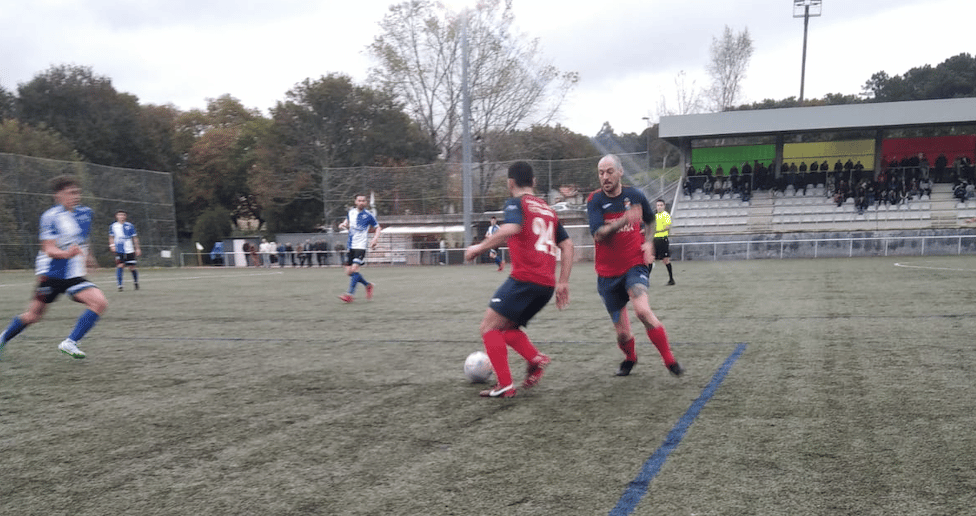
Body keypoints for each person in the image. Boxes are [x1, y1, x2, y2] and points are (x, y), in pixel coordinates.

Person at [463, 161, 574, 398]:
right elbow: (567, 245)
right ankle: (535, 359)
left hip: (525, 280)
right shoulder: (548, 210)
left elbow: (511, 228)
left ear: (510, 183)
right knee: (508, 329)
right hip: (546, 285)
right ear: (533, 182)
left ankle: (505, 385)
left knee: (488, 327)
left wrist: (478, 248)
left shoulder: (516, 203)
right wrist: (563, 281)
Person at [586, 154, 684, 378]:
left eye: (609, 171)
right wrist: (624, 219)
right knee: (622, 334)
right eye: (601, 173)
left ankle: (670, 361)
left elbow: (650, 220)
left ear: (620, 172)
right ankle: (630, 358)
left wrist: (648, 242)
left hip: (634, 265)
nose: (605, 177)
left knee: (642, 311)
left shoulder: (636, 195)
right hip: (607, 274)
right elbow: (598, 234)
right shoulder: (595, 200)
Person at [0, 175, 108, 360]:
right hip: (51, 274)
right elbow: (48, 248)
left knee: (99, 302)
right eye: (70, 193)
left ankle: (70, 342)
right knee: (33, 315)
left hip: (73, 275)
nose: (75, 196)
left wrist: (89, 258)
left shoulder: (85, 213)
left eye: (77, 192)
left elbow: (83, 239)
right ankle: (3, 338)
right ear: (58, 195)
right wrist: (67, 254)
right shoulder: (50, 217)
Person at [338, 194, 381, 303]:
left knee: (354, 269)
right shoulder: (351, 212)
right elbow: (347, 223)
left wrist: (375, 239)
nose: (361, 202)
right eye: (359, 200)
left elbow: (378, 228)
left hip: (360, 246)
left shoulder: (369, 215)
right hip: (351, 245)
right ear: (355, 202)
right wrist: (343, 224)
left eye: (363, 201)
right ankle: (368, 285)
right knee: (349, 272)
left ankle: (349, 295)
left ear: (366, 203)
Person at [109, 209, 141, 291]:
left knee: (132, 267)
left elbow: (134, 237)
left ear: (125, 216)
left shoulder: (130, 225)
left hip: (129, 249)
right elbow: (111, 237)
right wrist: (112, 245)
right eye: (119, 215)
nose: (121, 216)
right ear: (116, 216)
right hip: (119, 249)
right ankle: (120, 285)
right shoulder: (113, 226)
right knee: (120, 265)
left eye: (123, 215)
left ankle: (136, 282)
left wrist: (137, 248)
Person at [650, 199, 676, 286]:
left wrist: (657, 230)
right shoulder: (655, 216)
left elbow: (667, 227)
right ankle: (646, 280)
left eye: (661, 205)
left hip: (662, 239)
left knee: (665, 260)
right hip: (655, 240)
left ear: (664, 206)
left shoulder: (666, 215)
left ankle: (671, 279)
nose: (659, 207)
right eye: (658, 205)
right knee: (650, 259)